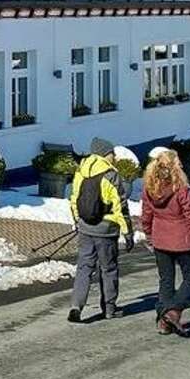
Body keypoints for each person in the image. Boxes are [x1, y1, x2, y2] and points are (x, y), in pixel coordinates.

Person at [139, 149, 190, 337]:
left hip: (160, 239)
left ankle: (164, 322)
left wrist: (149, 235)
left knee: (166, 280)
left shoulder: (149, 187)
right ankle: (172, 312)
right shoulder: (182, 189)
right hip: (182, 240)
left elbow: (146, 215)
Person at [67, 136, 132, 323]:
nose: (115, 157)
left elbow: (74, 200)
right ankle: (109, 308)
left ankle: (76, 307)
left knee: (84, 268)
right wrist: (128, 232)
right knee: (108, 268)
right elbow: (121, 206)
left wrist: (78, 221)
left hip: (86, 228)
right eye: (112, 153)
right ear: (105, 153)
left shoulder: (81, 172)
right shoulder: (111, 176)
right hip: (106, 230)